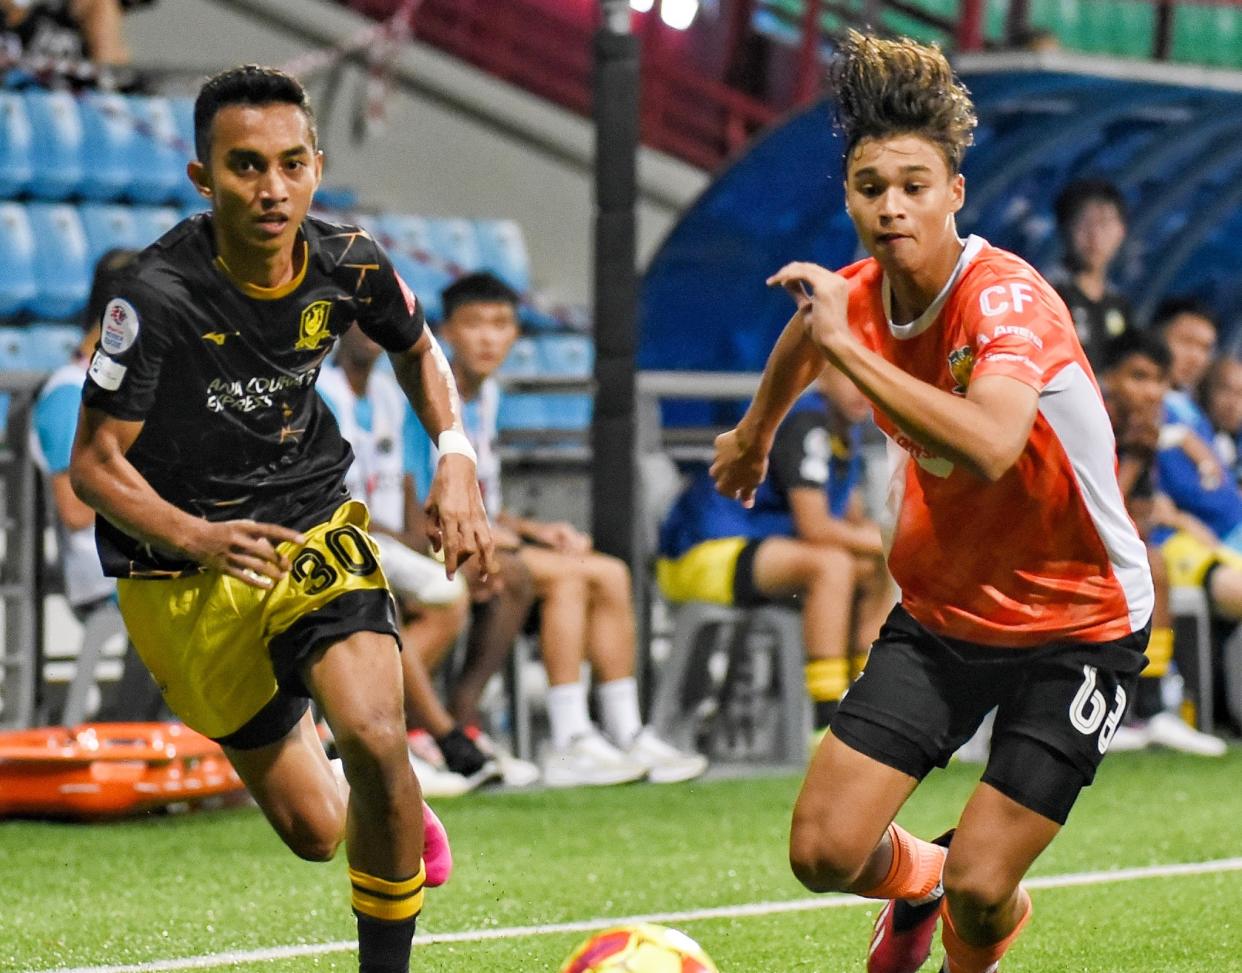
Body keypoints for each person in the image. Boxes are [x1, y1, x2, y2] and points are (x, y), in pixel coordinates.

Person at [710, 32, 1154, 973]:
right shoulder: (860, 297)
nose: (891, 206)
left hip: (1082, 618)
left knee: (984, 891)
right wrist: (754, 434)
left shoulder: (1005, 301)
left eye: (915, 184)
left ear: (956, 192)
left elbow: (991, 442)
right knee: (823, 851)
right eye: (871, 188)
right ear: (850, 199)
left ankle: (960, 924)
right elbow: (811, 332)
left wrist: (844, 345)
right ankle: (917, 878)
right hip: (947, 613)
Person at [68, 65, 495, 973]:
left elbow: (418, 349)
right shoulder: (153, 301)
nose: (271, 189)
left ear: (316, 166)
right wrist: (196, 535)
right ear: (202, 177)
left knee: (380, 735)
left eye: (290, 165)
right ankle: (388, 801)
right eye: (245, 167)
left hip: (308, 517)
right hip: (177, 569)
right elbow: (95, 468)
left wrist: (456, 457)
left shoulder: (350, 261)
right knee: (315, 829)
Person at [413, 271, 708, 787]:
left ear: (516, 336)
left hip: (483, 540)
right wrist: (499, 535)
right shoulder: (429, 396)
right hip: (431, 545)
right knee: (573, 578)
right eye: (474, 324)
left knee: (610, 571)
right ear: (447, 332)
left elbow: (485, 501)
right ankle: (569, 738)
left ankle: (625, 730)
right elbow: (424, 502)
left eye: (501, 324)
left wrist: (536, 530)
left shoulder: (488, 397)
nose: (488, 336)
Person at [317, 323, 510, 796]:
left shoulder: (386, 393)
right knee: (391, 603)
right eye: (356, 321)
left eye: (373, 321)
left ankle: (363, 729)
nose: (368, 332)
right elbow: (330, 497)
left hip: (383, 541)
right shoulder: (320, 392)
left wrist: (420, 542)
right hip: (335, 538)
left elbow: (403, 481)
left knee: (448, 591)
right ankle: (437, 735)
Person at [657, 363, 891, 737]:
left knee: (875, 567)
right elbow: (816, 528)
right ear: (823, 374)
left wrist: (886, 548)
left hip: (763, 550)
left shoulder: (849, 430)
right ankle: (826, 721)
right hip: (701, 551)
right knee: (831, 565)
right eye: (851, 376)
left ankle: (866, 699)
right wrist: (896, 541)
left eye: (871, 376)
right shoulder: (806, 423)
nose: (862, 389)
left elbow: (851, 519)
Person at [31, 248, 164, 721]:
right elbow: (73, 510)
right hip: (102, 566)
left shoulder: (116, 389)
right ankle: (130, 731)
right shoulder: (68, 392)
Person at [1096, 330, 1225, 756]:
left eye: (1159, 381)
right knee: (1150, 564)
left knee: (1150, 563)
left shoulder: (1145, 430)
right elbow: (1096, 516)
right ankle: (1144, 707)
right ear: (1108, 378)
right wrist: (1133, 458)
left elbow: (1133, 517)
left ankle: (1150, 707)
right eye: (1138, 377)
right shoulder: (1089, 421)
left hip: (1110, 552)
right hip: (1054, 548)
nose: (1151, 392)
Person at [1049, 178, 1132, 368]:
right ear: (1064, 228)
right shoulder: (1047, 293)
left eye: (1104, 224)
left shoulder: (1120, 305)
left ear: (1121, 231)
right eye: (1084, 223)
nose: (1094, 236)